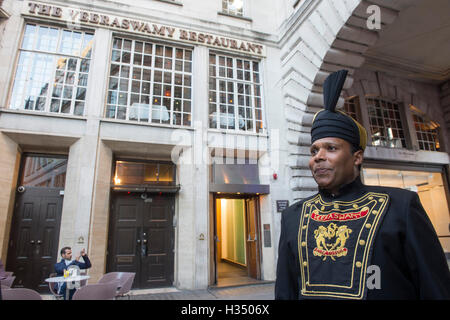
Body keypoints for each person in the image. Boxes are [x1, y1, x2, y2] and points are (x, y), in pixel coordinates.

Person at [275, 69, 450, 300]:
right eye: (314, 150)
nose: (318, 156)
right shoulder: (293, 217)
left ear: (357, 157)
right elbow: (286, 292)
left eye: (332, 148)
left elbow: (435, 288)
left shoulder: (400, 207)